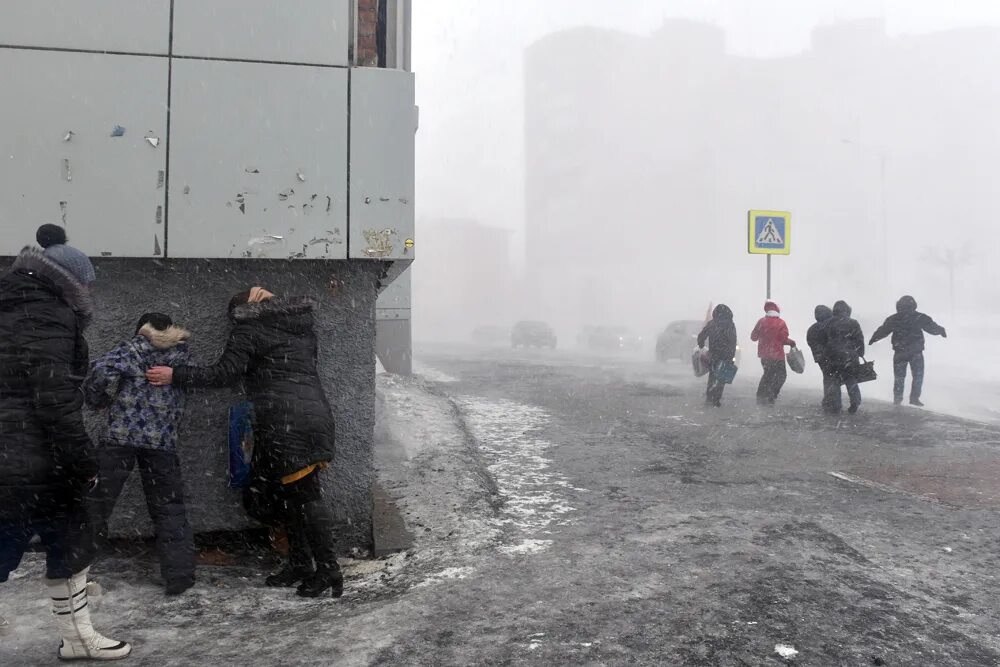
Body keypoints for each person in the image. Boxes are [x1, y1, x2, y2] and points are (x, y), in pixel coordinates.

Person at [146, 287, 342, 598]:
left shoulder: (249, 330)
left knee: (305, 497)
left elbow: (224, 373)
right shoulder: (301, 328)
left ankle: (329, 569)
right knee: (290, 497)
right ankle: (302, 564)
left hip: (284, 419)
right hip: (312, 414)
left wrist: (176, 375)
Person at [0, 244, 131, 660]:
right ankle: (77, 638)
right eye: (87, 284)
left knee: (42, 543)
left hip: (14, 456)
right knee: (69, 543)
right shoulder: (48, 315)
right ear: (69, 282)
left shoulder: (10, 304)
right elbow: (55, 399)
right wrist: (83, 461)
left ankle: (78, 638)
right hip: (37, 460)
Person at [84, 312, 196, 595]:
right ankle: (179, 576)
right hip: (162, 441)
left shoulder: (132, 348)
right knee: (169, 507)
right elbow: (193, 382)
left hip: (120, 437)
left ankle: (75, 566)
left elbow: (98, 372)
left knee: (96, 502)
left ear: (141, 330)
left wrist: (99, 399)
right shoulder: (183, 356)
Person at [869, 295, 946, 407]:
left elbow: (884, 330)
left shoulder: (894, 318)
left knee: (899, 377)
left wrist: (874, 338)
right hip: (916, 352)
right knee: (918, 376)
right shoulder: (919, 317)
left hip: (900, 351)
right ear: (914, 305)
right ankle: (914, 398)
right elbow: (931, 327)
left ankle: (898, 399)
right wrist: (941, 331)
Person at [750, 301, 796, 405]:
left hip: (764, 355)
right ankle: (772, 394)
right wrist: (792, 343)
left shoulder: (761, 322)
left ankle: (761, 395)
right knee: (781, 375)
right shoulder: (781, 323)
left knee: (767, 374)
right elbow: (783, 339)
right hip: (777, 355)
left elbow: (753, 337)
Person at [824, 300, 865, 414]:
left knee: (835, 382)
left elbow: (824, 339)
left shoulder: (828, 323)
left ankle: (836, 406)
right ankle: (855, 402)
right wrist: (860, 352)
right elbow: (859, 339)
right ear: (847, 310)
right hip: (850, 357)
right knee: (851, 379)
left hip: (833, 356)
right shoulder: (853, 323)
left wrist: (826, 353)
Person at [697, 304, 737, 407]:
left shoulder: (712, 324)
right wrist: (732, 356)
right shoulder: (730, 325)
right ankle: (716, 399)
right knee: (721, 377)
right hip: (726, 355)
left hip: (714, 354)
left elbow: (701, 336)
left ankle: (709, 396)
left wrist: (701, 345)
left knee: (713, 375)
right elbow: (733, 341)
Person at [806, 305, 841, 413]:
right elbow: (834, 341)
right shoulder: (830, 325)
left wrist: (818, 354)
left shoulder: (812, 328)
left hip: (820, 358)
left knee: (828, 378)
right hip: (830, 356)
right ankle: (833, 404)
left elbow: (810, 342)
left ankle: (829, 402)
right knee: (834, 378)